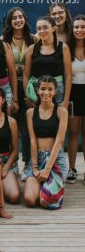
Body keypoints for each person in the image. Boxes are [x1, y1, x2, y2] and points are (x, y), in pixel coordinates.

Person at [24, 75, 68, 209]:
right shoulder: (31, 112)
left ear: (55, 91)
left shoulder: (61, 111)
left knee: (47, 202)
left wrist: (47, 169)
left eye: (50, 89)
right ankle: (42, 186)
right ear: (37, 90)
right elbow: (32, 140)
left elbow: (59, 141)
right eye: (43, 89)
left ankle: (47, 186)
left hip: (55, 161)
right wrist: (35, 167)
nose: (46, 93)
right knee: (30, 200)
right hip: (37, 157)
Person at [2, 7, 36, 181]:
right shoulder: (3, 41)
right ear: (9, 21)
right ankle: (11, 165)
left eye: (20, 17)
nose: (18, 20)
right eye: (14, 18)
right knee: (10, 127)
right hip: (10, 88)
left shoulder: (34, 39)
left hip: (30, 88)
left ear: (25, 19)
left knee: (27, 129)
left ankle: (29, 164)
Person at [23, 16, 72, 109]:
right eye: (39, 28)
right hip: (37, 92)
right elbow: (26, 76)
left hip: (58, 92)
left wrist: (66, 100)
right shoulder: (31, 49)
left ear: (54, 28)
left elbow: (68, 76)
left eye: (45, 27)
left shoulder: (63, 48)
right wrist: (28, 97)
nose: (42, 31)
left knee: (58, 121)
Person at [66, 15, 85, 184]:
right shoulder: (67, 49)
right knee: (72, 132)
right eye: (76, 27)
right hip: (72, 94)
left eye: (83, 27)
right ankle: (71, 169)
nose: (79, 30)